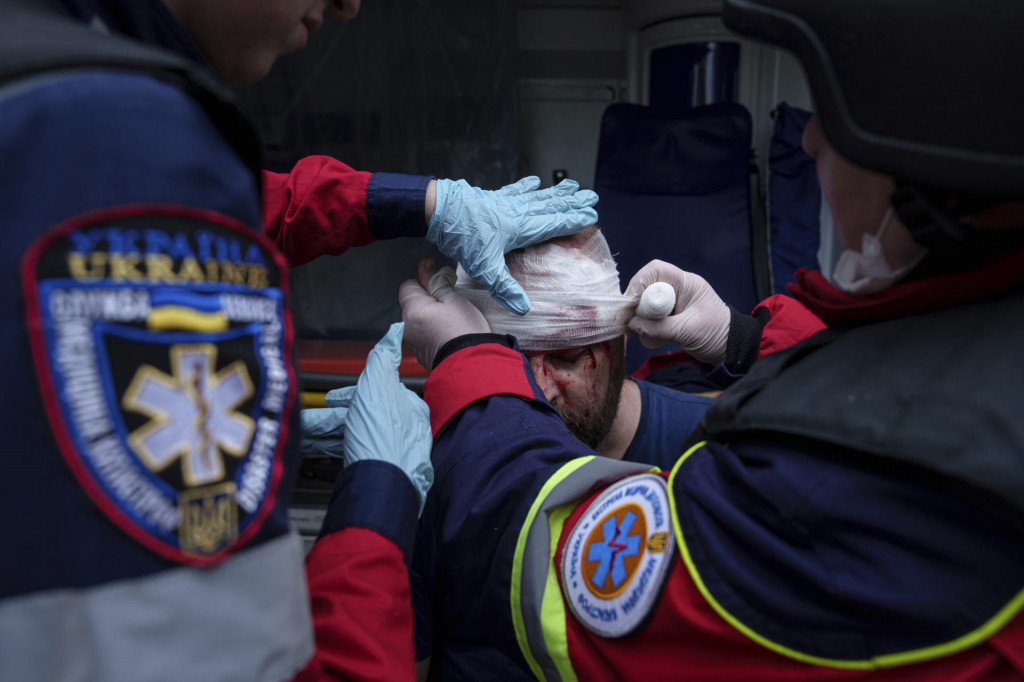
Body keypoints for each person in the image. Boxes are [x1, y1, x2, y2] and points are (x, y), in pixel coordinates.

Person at [396, 0, 1024, 678]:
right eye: (515, 357)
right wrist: (747, 339)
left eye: (833, 122)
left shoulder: (793, 480)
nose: (810, 141)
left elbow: (574, 579)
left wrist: (467, 371)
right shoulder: (972, 347)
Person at [0, 0, 596, 680]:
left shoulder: (49, 96)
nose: (349, 6)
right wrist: (378, 497)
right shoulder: (124, 138)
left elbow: (253, 201)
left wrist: (428, 202)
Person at [402, 227, 714, 680]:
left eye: (566, 357)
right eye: (507, 361)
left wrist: (745, 340)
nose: (539, 391)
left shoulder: (704, 451)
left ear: (618, 342)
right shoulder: (429, 472)